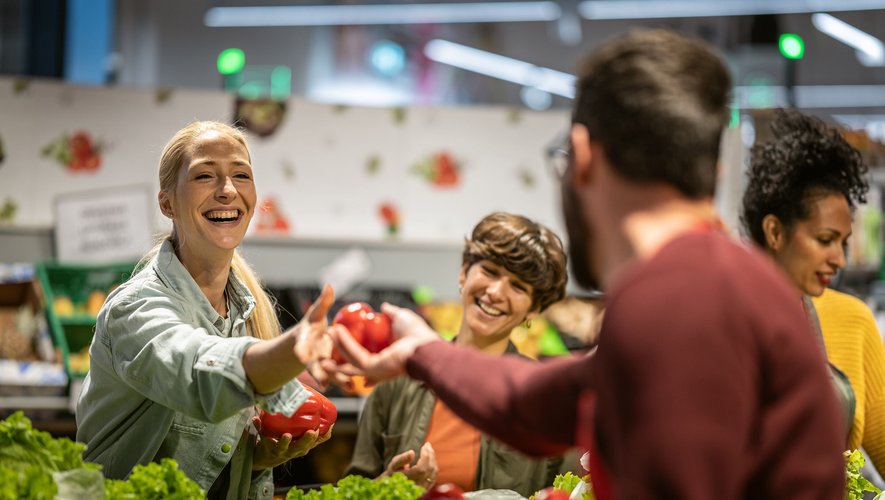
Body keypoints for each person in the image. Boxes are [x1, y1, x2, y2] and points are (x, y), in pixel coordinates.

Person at [324, 29, 845, 499]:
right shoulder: (712, 284)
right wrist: (423, 351)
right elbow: (537, 403)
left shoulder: (673, 295)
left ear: (583, 155)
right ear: (712, 169)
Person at [76, 121, 337, 500]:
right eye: (204, 176)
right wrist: (295, 347)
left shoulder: (246, 311)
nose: (227, 190)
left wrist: (255, 459)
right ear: (167, 204)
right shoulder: (135, 309)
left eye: (240, 175)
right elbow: (199, 373)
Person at [344, 212, 570, 496]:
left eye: (518, 286)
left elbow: (565, 492)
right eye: (490, 271)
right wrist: (390, 486)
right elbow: (355, 488)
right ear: (464, 272)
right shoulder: (396, 379)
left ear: (533, 310)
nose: (496, 292)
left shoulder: (540, 397)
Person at [740, 109, 885, 474]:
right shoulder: (717, 318)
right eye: (825, 240)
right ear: (774, 232)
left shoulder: (851, 321)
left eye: (843, 243)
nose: (839, 259)